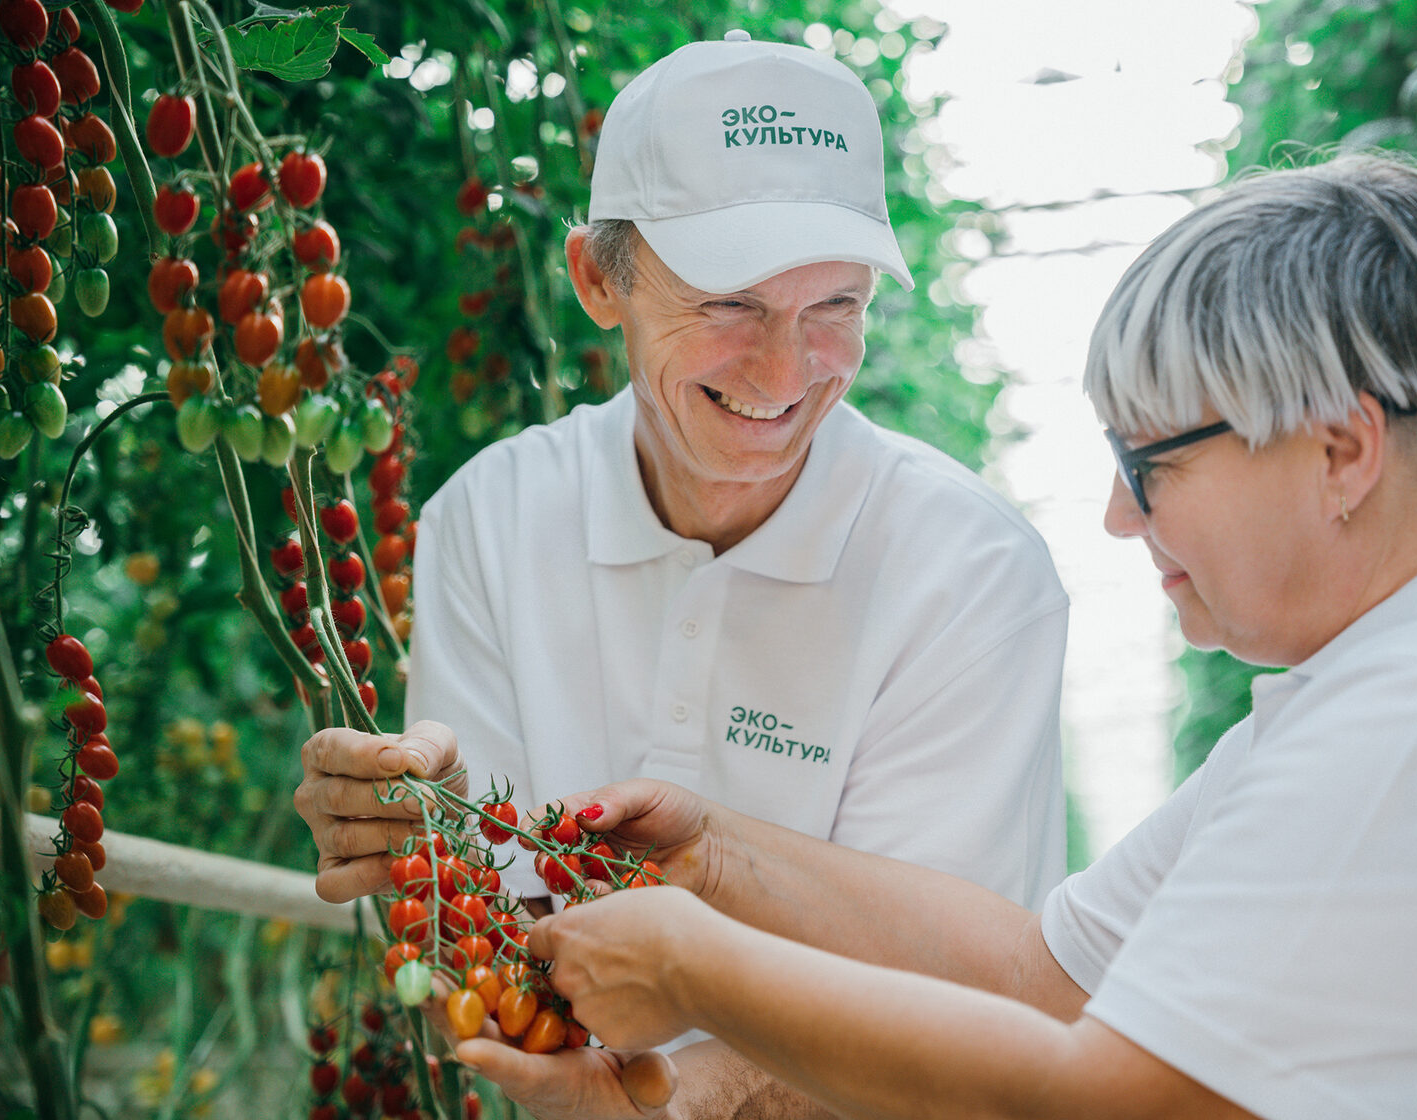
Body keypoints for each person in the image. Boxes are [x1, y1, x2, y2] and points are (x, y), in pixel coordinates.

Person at [449, 153, 1417, 1118]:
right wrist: (715, 853)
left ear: (1340, 449)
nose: (1121, 516)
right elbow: (1047, 973)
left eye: (1150, 461)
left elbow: (1110, 1098)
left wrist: (698, 970)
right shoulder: (1407, 682)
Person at [295, 29, 1069, 1120]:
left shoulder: (971, 574)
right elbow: (493, 945)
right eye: (728, 304)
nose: (783, 370)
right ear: (597, 279)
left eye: (833, 307)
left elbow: (954, 987)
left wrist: (668, 1103)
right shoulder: (492, 517)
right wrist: (432, 838)